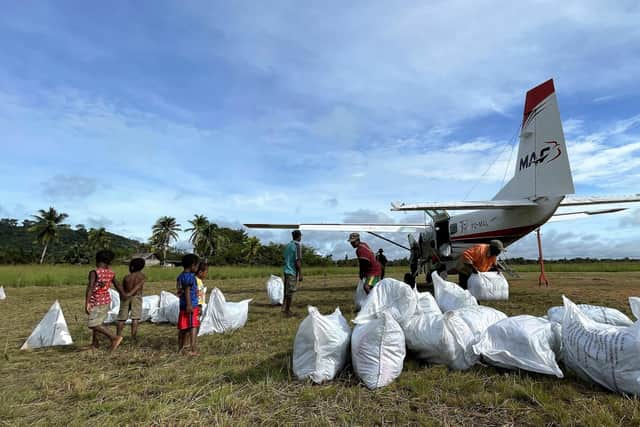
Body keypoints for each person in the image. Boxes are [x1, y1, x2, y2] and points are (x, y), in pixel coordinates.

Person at [85, 250, 123, 352]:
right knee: (98, 322)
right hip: (106, 301)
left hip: (97, 301)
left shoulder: (94, 272)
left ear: (97, 260)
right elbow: (117, 284)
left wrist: (87, 302)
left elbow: (90, 288)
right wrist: (123, 294)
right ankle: (95, 344)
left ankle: (114, 338)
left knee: (93, 324)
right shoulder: (111, 273)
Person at [116, 257, 146, 341]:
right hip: (136, 297)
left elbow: (121, 288)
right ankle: (133, 337)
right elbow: (138, 286)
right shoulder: (142, 276)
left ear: (132, 267)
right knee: (135, 318)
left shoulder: (127, 277)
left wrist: (123, 295)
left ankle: (117, 336)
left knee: (121, 318)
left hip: (125, 297)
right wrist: (130, 294)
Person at [177, 253, 200, 355]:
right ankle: (193, 349)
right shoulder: (190, 277)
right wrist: (189, 304)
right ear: (192, 265)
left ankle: (181, 348)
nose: (197, 268)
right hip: (190, 306)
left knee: (183, 327)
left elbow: (179, 290)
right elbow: (187, 290)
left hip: (182, 305)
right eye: (197, 265)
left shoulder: (180, 276)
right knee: (193, 326)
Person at [282, 230, 303, 317]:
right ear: (299, 236)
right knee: (290, 291)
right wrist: (300, 273)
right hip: (292, 271)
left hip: (286, 270)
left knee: (286, 291)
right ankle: (287, 311)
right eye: (301, 236)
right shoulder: (297, 245)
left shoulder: (288, 245)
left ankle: (284, 308)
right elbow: (297, 260)